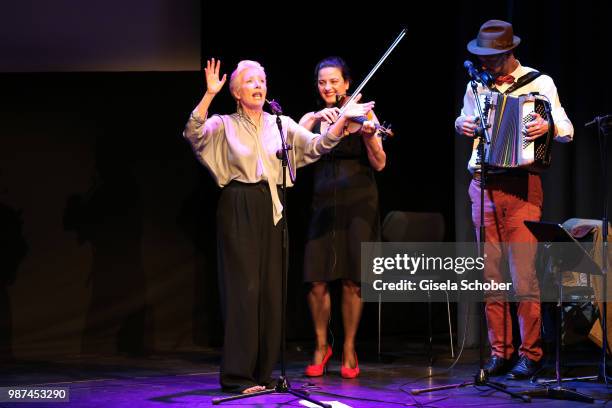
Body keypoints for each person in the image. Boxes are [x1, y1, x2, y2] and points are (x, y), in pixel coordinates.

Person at [183, 58, 374, 394]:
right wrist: (209, 95)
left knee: (271, 291)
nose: (258, 85)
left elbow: (316, 146)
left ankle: (264, 374)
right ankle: (238, 376)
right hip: (239, 204)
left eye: (262, 80)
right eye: (250, 81)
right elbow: (193, 132)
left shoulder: (281, 124)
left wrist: (342, 121)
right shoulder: (224, 123)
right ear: (237, 92)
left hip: (274, 207)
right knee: (246, 291)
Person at [455, 20, 574, 379]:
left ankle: (530, 353)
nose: (486, 63)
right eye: (482, 57)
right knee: (491, 276)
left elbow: (566, 129)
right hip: (484, 183)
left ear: (509, 52)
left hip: (522, 186)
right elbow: (465, 119)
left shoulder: (539, 82)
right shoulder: (476, 86)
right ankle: (499, 352)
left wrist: (546, 127)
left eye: (492, 57)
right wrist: (461, 124)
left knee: (523, 277)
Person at [300, 57, 386, 379]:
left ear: (347, 83)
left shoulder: (364, 114)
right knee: (317, 279)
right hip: (323, 203)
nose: (328, 87)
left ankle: (349, 346)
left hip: (359, 203)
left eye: (334, 81)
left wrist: (368, 134)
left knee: (353, 279)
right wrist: (312, 123)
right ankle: (322, 346)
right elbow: (294, 157)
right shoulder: (315, 117)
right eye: (322, 82)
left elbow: (379, 163)